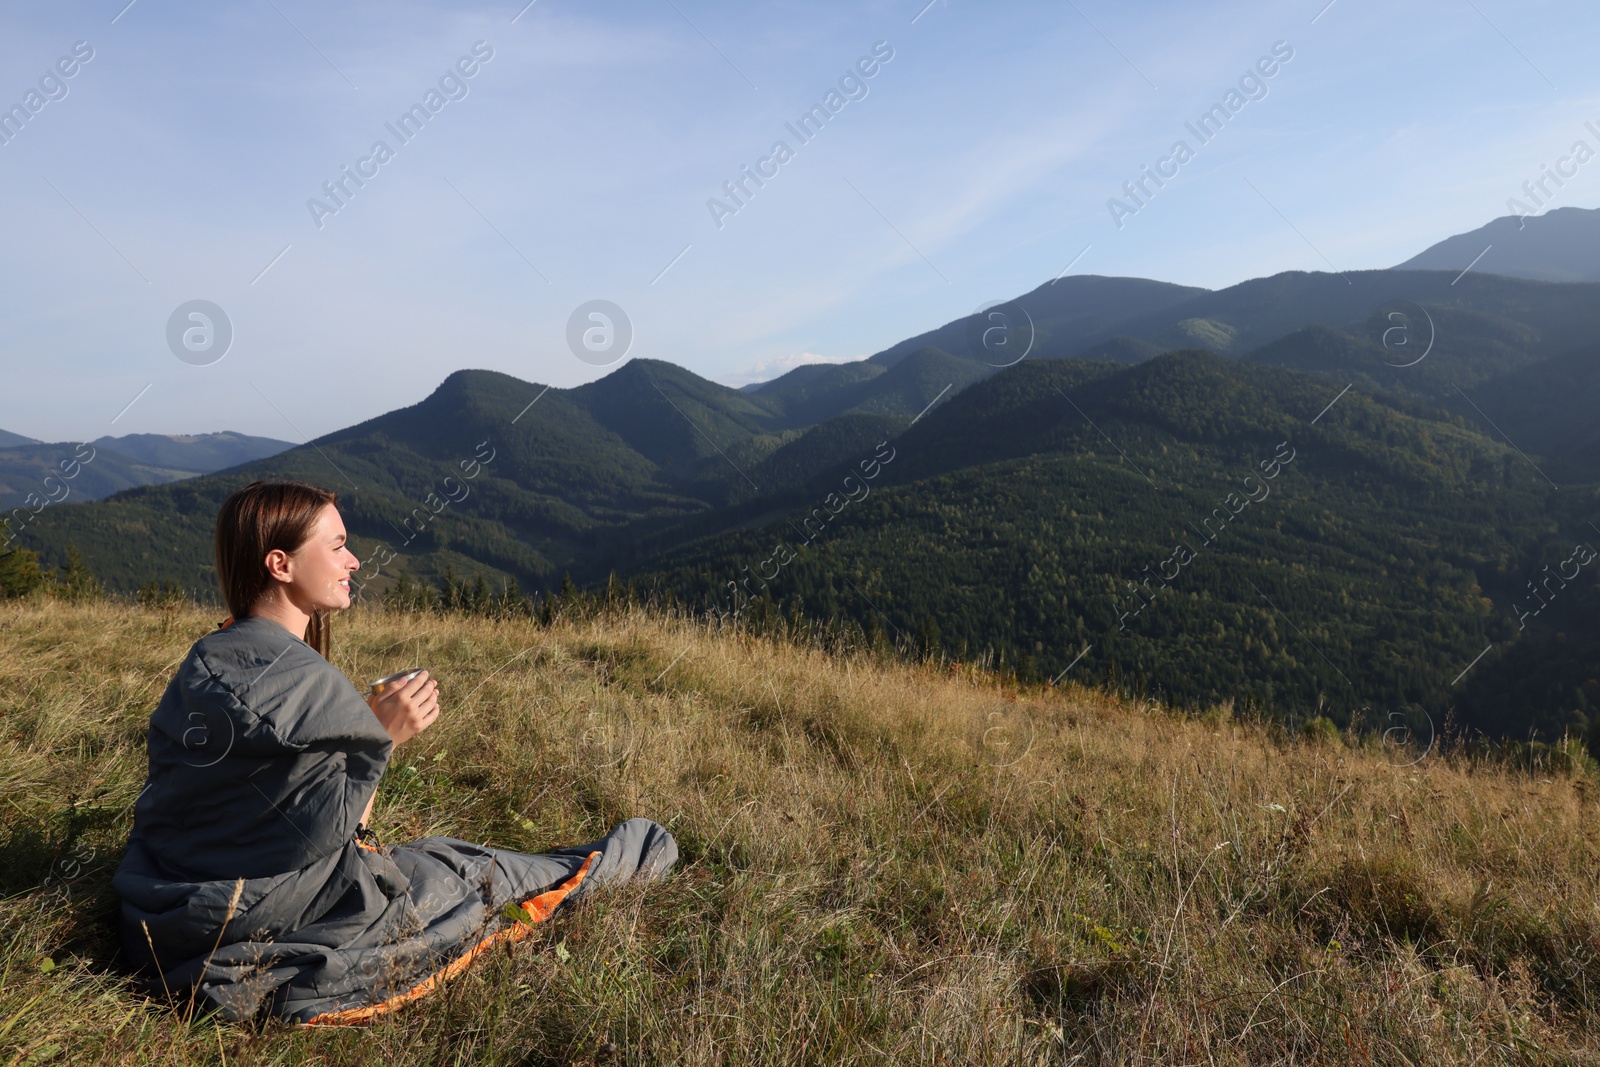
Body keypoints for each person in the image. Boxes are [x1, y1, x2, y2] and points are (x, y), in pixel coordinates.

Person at [112, 479, 677, 1025]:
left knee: (445, 859)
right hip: (263, 914)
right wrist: (380, 735)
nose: (354, 561)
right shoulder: (305, 680)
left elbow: (233, 800)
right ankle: (636, 853)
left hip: (167, 910)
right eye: (336, 546)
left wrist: (353, 733)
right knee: (473, 874)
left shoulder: (208, 657)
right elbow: (335, 831)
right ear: (280, 565)